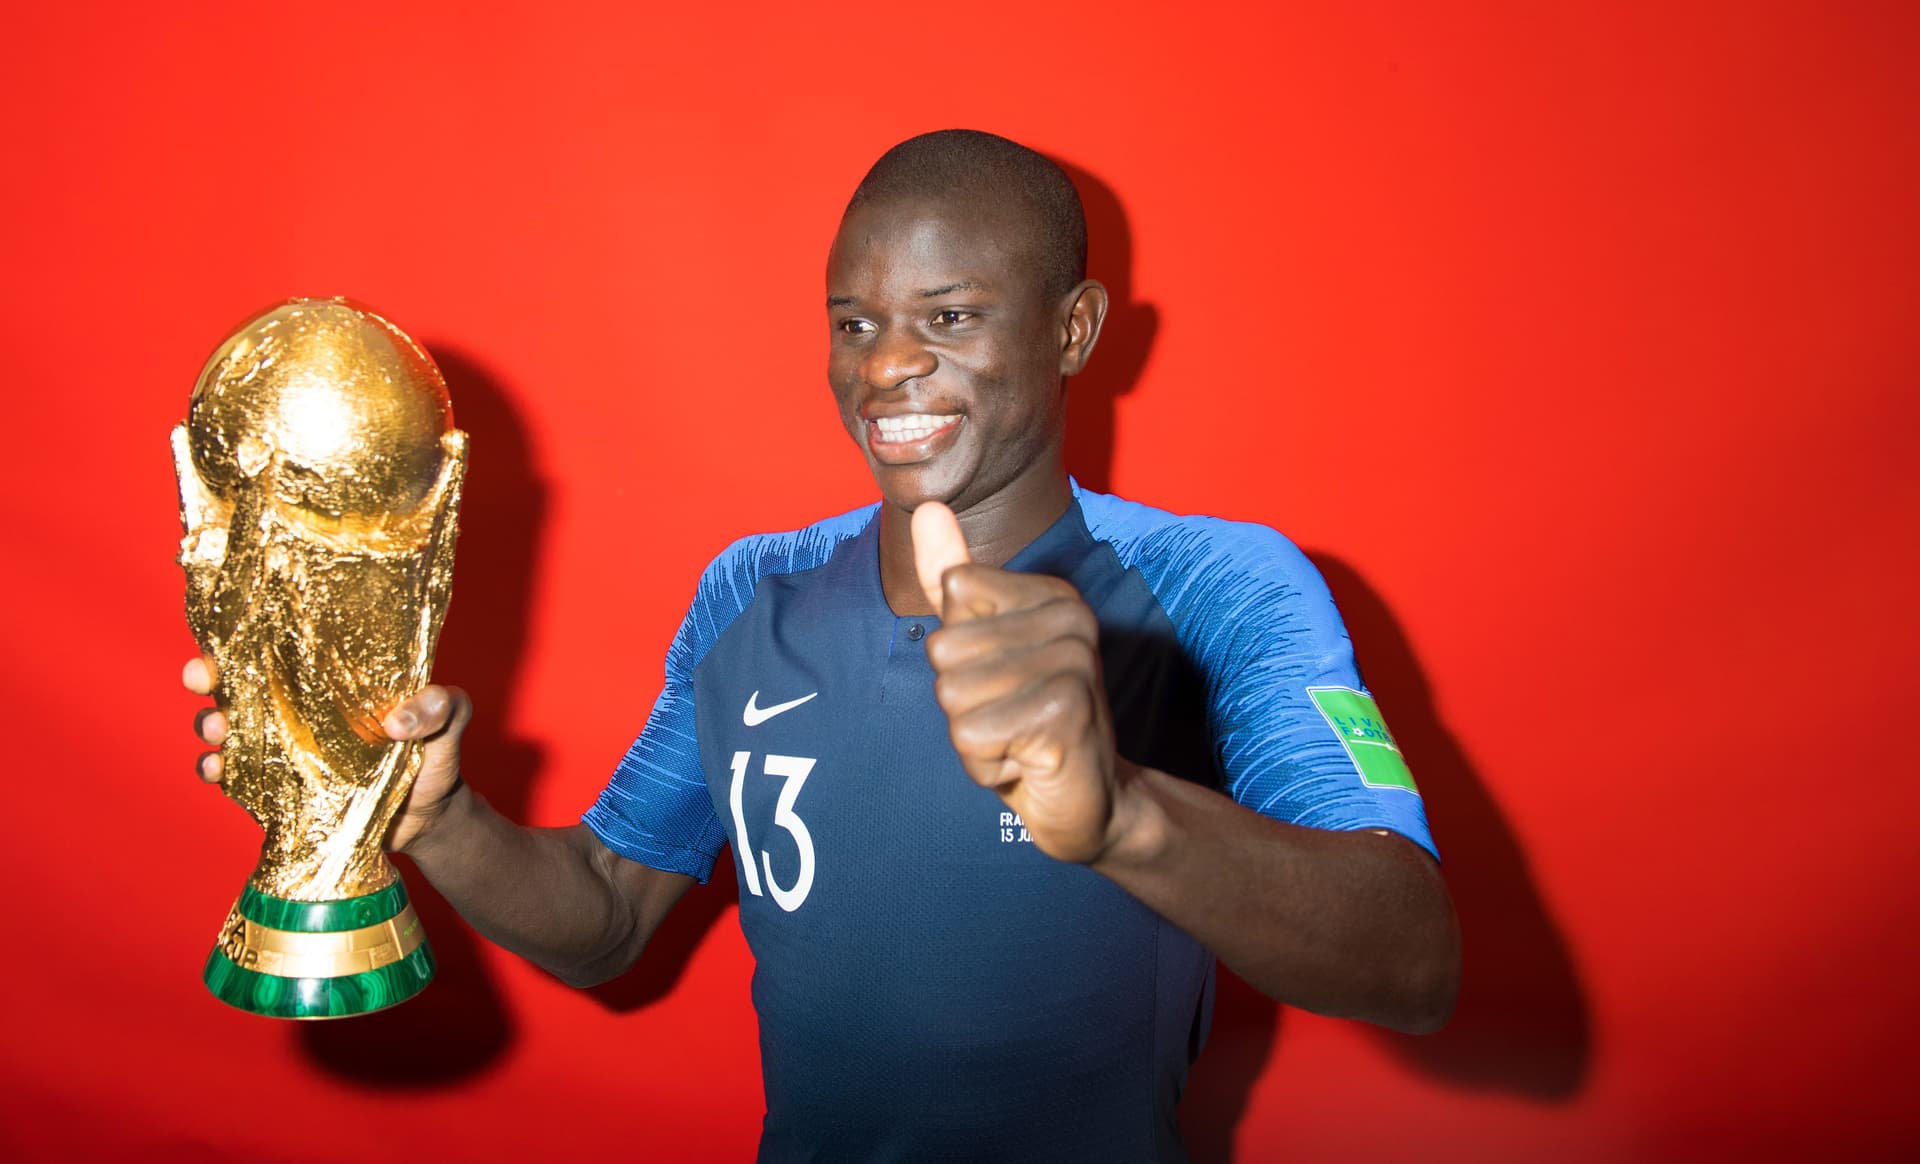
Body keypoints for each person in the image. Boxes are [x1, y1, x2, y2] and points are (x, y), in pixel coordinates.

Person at [187, 129, 1460, 1161]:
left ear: (1072, 330)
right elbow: (611, 914)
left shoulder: (1214, 587)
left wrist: (1124, 815)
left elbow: (1412, 958)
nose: (887, 365)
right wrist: (433, 817)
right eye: (854, 323)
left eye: (947, 317)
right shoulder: (753, 591)